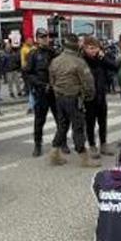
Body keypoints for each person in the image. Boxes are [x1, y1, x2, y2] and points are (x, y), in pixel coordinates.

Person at [47, 34, 100, 168]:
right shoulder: (79, 62)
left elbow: (52, 80)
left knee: (62, 126)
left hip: (59, 97)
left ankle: (54, 153)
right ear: (76, 45)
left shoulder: (55, 61)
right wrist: (89, 95)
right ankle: (84, 157)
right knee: (78, 127)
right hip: (74, 97)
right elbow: (88, 82)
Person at [24, 29, 60, 157]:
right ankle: (37, 145)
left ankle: (61, 142)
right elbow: (28, 73)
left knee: (60, 119)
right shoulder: (33, 54)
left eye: (46, 36)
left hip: (54, 91)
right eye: (42, 37)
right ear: (37, 39)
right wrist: (40, 84)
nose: (45, 39)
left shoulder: (54, 52)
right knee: (39, 120)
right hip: (41, 91)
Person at [82, 36, 118, 158]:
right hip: (88, 96)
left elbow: (115, 66)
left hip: (101, 94)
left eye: (95, 48)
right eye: (90, 48)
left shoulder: (101, 59)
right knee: (90, 122)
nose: (93, 51)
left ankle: (103, 144)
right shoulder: (82, 60)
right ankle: (92, 145)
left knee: (103, 121)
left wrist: (104, 58)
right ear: (85, 48)